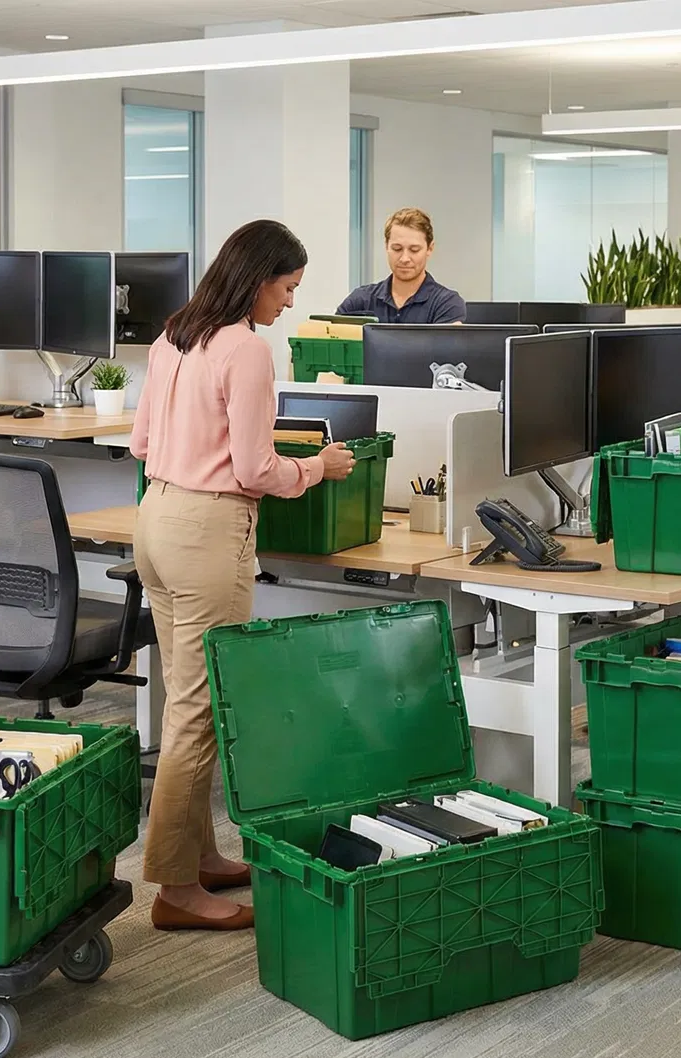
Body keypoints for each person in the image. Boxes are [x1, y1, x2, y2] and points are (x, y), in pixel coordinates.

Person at [131, 219, 356, 931]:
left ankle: (198, 858)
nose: (290, 302)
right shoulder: (246, 351)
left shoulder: (174, 334)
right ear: (259, 280)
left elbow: (139, 442)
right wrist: (318, 467)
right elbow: (256, 469)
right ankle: (173, 889)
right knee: (199, 714)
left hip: (156, 520)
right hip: (207, 533)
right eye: (287, 288)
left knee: (183, 702)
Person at [336, 208, 466, 323]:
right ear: (386, 246)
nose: (404, 259)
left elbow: (444, 350)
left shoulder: (447, 304)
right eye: (397, 249)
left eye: (414, 250)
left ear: (429, 249)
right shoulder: (360, 300)